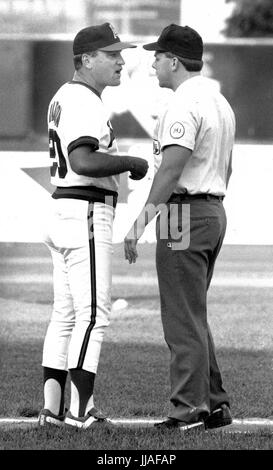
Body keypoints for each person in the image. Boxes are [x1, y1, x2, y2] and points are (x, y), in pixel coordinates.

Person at [124, 24, 235, 431]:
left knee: (181, 317)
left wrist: (138, 224)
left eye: (157, 56)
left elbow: (170, 171)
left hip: (182, 211)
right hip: (212, 208)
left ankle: (188, 408)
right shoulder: (219, 101)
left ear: (174, 60)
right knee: (193, 313)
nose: (152, 63)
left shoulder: (183, 104)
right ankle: (216, 403)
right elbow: (227, 167)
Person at [38, 22, 148, 428]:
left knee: (65, 315)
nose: (121, 61)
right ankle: (81, 411)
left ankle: (51, 409)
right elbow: (84, 161)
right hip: (84, 210)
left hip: (64, 209)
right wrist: (130, 162)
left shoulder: (65, 96)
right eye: (111, 54)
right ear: (87, 60)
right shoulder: (84, 99)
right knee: (93, 315)